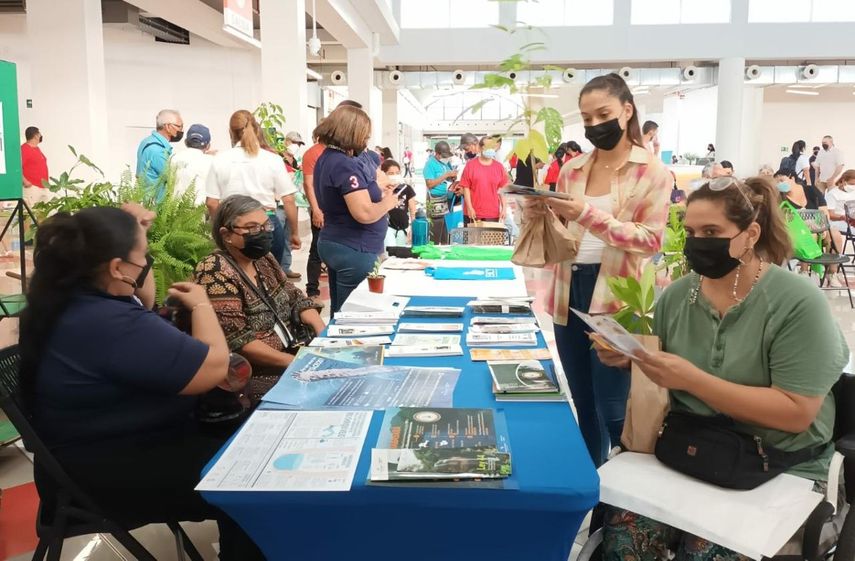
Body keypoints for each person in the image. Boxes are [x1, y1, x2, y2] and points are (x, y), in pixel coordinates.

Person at [595, 177, 847, 560]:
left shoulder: (797, 304)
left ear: (751, 234)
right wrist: (635, 361)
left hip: (778, 462)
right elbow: (668, 384)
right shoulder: (678, 296)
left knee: (707, 551)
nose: (698, 242)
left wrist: (692, 380)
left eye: (712, 231)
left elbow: (797, 413)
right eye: (692, 231)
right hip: (689, 450)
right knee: (623, 539)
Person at [19, 204, 265, 560]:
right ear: (117, 268)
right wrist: (201, 305)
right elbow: (215, 367)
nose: (146, 265)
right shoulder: (106, 322)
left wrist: (132, 233)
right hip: (106, 471)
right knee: (252, 479)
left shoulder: (68, 299)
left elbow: (144, 298)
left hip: (91, 453)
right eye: (143, 257)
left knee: (247, 451)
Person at [521, 73, 672, 467]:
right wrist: (540, 212)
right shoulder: (573, 169)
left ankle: (618, 501)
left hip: (617, 296)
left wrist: (586, 213)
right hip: (568, 288)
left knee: (613, 406)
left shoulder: (652, 172)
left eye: (602, 114)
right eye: (586, 119)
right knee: (581, 401)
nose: (594, 126)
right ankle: (591, 486)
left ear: (626, 111)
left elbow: (651, 240)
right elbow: (566, 238)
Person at [195, 195, 324, 398]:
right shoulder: (215, 270)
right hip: (257, 376)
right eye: (252, 228)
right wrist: (296, 363)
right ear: (226, 234)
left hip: (295, 356)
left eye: (266, 226)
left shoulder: (264, 259)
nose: (262, 233)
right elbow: (240, 342)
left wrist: (323, 335)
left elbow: (295, 297)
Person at [313, 104, 398, 313]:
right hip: (354, 247)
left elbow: (346, 195)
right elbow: (364, 213)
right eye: (364, 137)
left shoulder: (327, 159)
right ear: (351, 133)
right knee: (352, 315)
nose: (365, 142)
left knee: (339, 309)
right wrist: (389, 202)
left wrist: (375, 188)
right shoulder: (344, 164)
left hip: (335, 241)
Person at [206, 110, 301, 276]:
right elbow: (289, 199)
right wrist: (294, 232)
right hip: (267, 222)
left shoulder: (220, 159)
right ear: (257, 129)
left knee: (238, 276)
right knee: (272, 277)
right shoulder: (272, 159)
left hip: (235, 226)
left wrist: (221, 230)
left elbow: (212, 203)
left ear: (230, 132)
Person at [460, 136, 510, 225]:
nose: (490, 149)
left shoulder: (499, 167)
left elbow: (502, 190)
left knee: (490, 238)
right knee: (472, 239)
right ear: (480, 147)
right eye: (487, 146)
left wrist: (504, 208)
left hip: (492, 213)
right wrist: (470, 207)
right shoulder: (470, 166)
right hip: (473, 213)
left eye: (492, 147)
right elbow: (466, 188)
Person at [301, 131, 326, 306]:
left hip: (337, 212)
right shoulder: (313, 153)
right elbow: (308, 184)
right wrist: (316, 210)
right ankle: (312, 289)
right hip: (322, 210)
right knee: (316, 249)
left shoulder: (342, 152)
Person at [136, 109, 184, 197]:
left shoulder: (147, 141)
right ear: (168, 127)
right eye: (179, 127)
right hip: (156, 204)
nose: (181, 130)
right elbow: (174, 178)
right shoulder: (157, 150)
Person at [422, 140, 459, 244]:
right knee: (435, 230)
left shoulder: (447, 163)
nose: (446, 158)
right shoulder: (430, 164)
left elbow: (449, 176)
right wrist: (445, 175)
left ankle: (444, 251)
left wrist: (452, 177)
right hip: (435, 199)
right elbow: (430, 184)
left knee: (445, 231)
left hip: (446, 197)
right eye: (443, 156)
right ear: (437, 154)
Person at [172, 124, 214, 206]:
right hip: (198, 214)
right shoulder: (211, 162)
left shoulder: (173, 158)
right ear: (208, 146)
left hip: (172, 213)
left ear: (186, 142)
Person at [380, 159, 417, 247]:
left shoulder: (406, 188)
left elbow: (413, 211)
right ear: (384, 174)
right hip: (388, 229)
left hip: (403, 229)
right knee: (389, 254)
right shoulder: (381, 190)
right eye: (391, 173)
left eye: (397, 173)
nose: (395, 175)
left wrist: (413, 229)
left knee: (400, 256)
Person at [21, 126, 50, 208]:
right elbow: (18, 168)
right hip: (32, 187)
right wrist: (25, 181)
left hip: (43, 186)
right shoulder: (24, 149)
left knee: (43, 213)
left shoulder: (37, 149)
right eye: (39, 133)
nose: (41, 136)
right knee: (30, 213)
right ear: (35, 135)